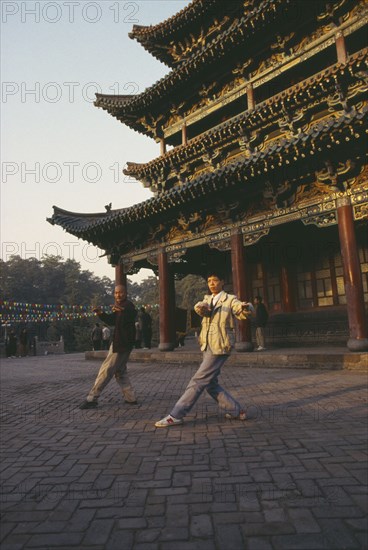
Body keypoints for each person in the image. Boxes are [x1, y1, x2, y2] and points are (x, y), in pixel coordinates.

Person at [155, 271, 253, 428]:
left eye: (215, 280)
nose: (212, 283)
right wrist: (199, 307)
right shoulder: (207, 299)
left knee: (198, 380)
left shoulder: (230, 299)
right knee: (210, 383)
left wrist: (245, 307)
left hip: (220, 345)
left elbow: (240, 310)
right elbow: (201, 309)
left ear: (222, 282)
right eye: (209, 281)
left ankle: (177, 414)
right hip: (207, 344)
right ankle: (236, 410)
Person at [79, 285, 138, 409]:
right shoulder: (120, 307)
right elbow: (112, 321)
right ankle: (130, 398)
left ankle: (92, 398)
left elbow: (131, 314)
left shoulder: (128, 306)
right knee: (120, 372)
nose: (118, 295)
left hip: (122, 343)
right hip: (121, 342)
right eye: (116, 293)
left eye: (120, 292)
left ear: (125, 293)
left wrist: (122, 310)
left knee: (106, 370)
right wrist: (101, 313)